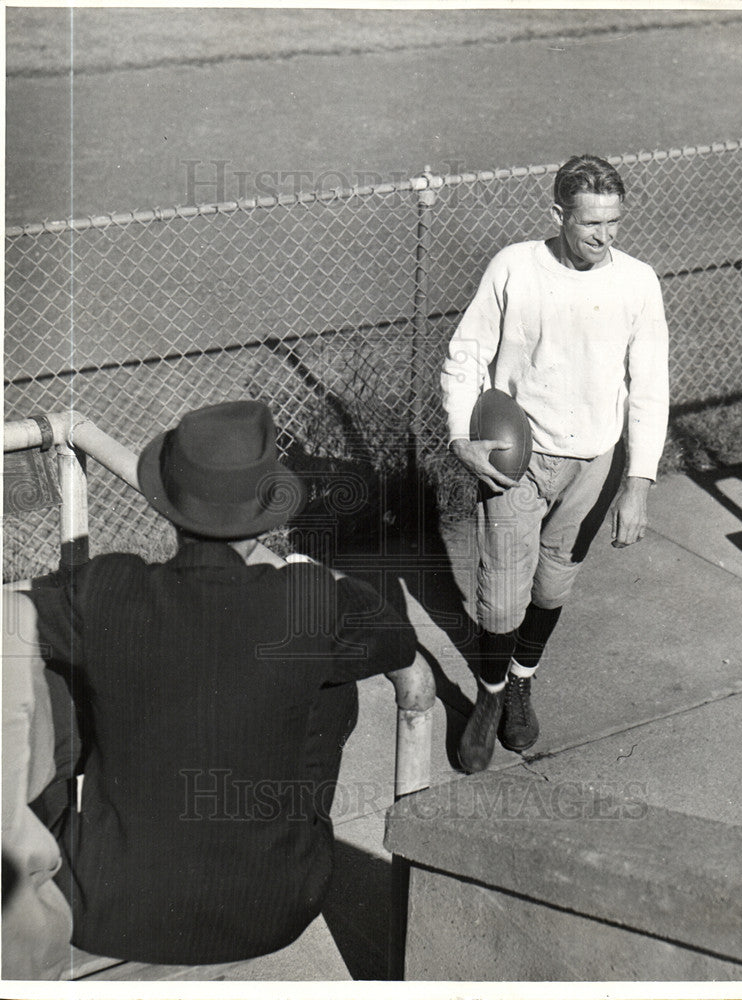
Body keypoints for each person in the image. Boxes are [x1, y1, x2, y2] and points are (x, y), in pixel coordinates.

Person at [2, 399, 432, 972]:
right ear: (268, 513)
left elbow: (15, 613)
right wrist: (307, 575)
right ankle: (279, 833)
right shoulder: (306, 602)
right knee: (332, 680)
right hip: (278, 905)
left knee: (51, 665)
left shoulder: (108, 588)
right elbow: (393, 637)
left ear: (168, 505)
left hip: (102, 905)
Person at [441, 154, 669, 774]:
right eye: (591, 223)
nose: (605, 235)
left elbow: (649, 386)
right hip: (519, 460)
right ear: (558, 215)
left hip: (594, 462)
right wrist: (462, 437)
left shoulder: (637, 282)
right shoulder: (515, 268)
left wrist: (638, 484)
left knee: (552, 586)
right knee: (499, 602)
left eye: (615, 222)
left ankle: (520, 680)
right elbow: (467, 354)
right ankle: (488, 699)